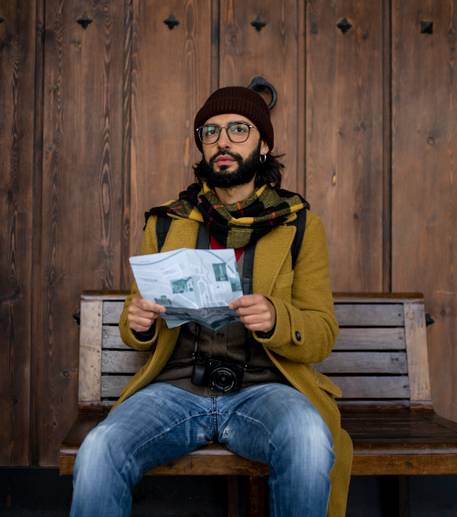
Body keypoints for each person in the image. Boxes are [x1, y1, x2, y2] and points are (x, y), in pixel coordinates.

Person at [70, 86, 352, 517]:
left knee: (310, 438)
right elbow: (134, 324)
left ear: (264, 144)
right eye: (211, 132)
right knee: (99, 447)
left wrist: (278, 318)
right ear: (202, 146)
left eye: (239, 130)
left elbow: (322, 332)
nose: (223, 141)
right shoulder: (168, 222)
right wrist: (140, 322)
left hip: (265, 392)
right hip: (177, 391)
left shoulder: (299, 226)